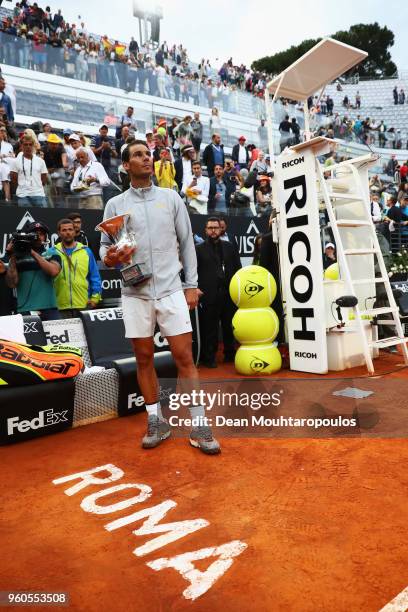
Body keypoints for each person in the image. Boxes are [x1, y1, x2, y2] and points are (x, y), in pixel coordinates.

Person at [100, 140, 220, 454]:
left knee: (184, 358)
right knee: (143, 358)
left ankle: (199, 424)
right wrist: (110, 257)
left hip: (170, 290)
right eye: (138, 155)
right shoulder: (114, 205)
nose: (146, 158)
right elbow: (104, 248)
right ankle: (156, 421)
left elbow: (187, 244)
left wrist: (190, 284)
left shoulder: (171, 198)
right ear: (126, 165)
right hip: (134, 293)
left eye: (148, 154)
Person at [196, 217, 241, 367]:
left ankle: (230, 354)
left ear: (221, 229)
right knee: (210, 328)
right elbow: (192, 272)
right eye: (210, 228)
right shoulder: (198, 249)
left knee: (229, 326)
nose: (213, 230)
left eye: (216, 227)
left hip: (229, 294)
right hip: (208, 295)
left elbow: (238, 269)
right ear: (206, 230)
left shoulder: (229, 247)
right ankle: (209, 357)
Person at [5, 221, 62, 321]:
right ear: (27, 236)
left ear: (45, 237)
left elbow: (53, 271)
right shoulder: (17, 258)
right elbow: (12, 284)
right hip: (25, 309)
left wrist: (31, 251)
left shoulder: (52, 253)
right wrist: (13, 255)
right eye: (34, 234)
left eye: (41, 234)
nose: (38, 237)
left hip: (49, 308)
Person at [51, 218, 101, 318]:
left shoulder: (86, 251)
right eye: (64, 230)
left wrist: (95, 299)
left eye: (70, 229)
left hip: (84, 304)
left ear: (75, 232)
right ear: (59, 233)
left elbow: (95, 276)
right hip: (59, 306)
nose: (67, 233)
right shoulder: (52, 252)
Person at [10, 136, 48, 207]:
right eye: (25, 144)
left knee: (42, 217)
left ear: (33, 146)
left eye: (30, 144)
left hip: (39, 194)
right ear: (21, 146)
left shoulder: (41, 161)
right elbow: (13, 178)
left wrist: (36, 187)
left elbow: (44, 179)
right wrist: (22, 186)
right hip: (23, 195)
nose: (28, 147)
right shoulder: (15, 161)